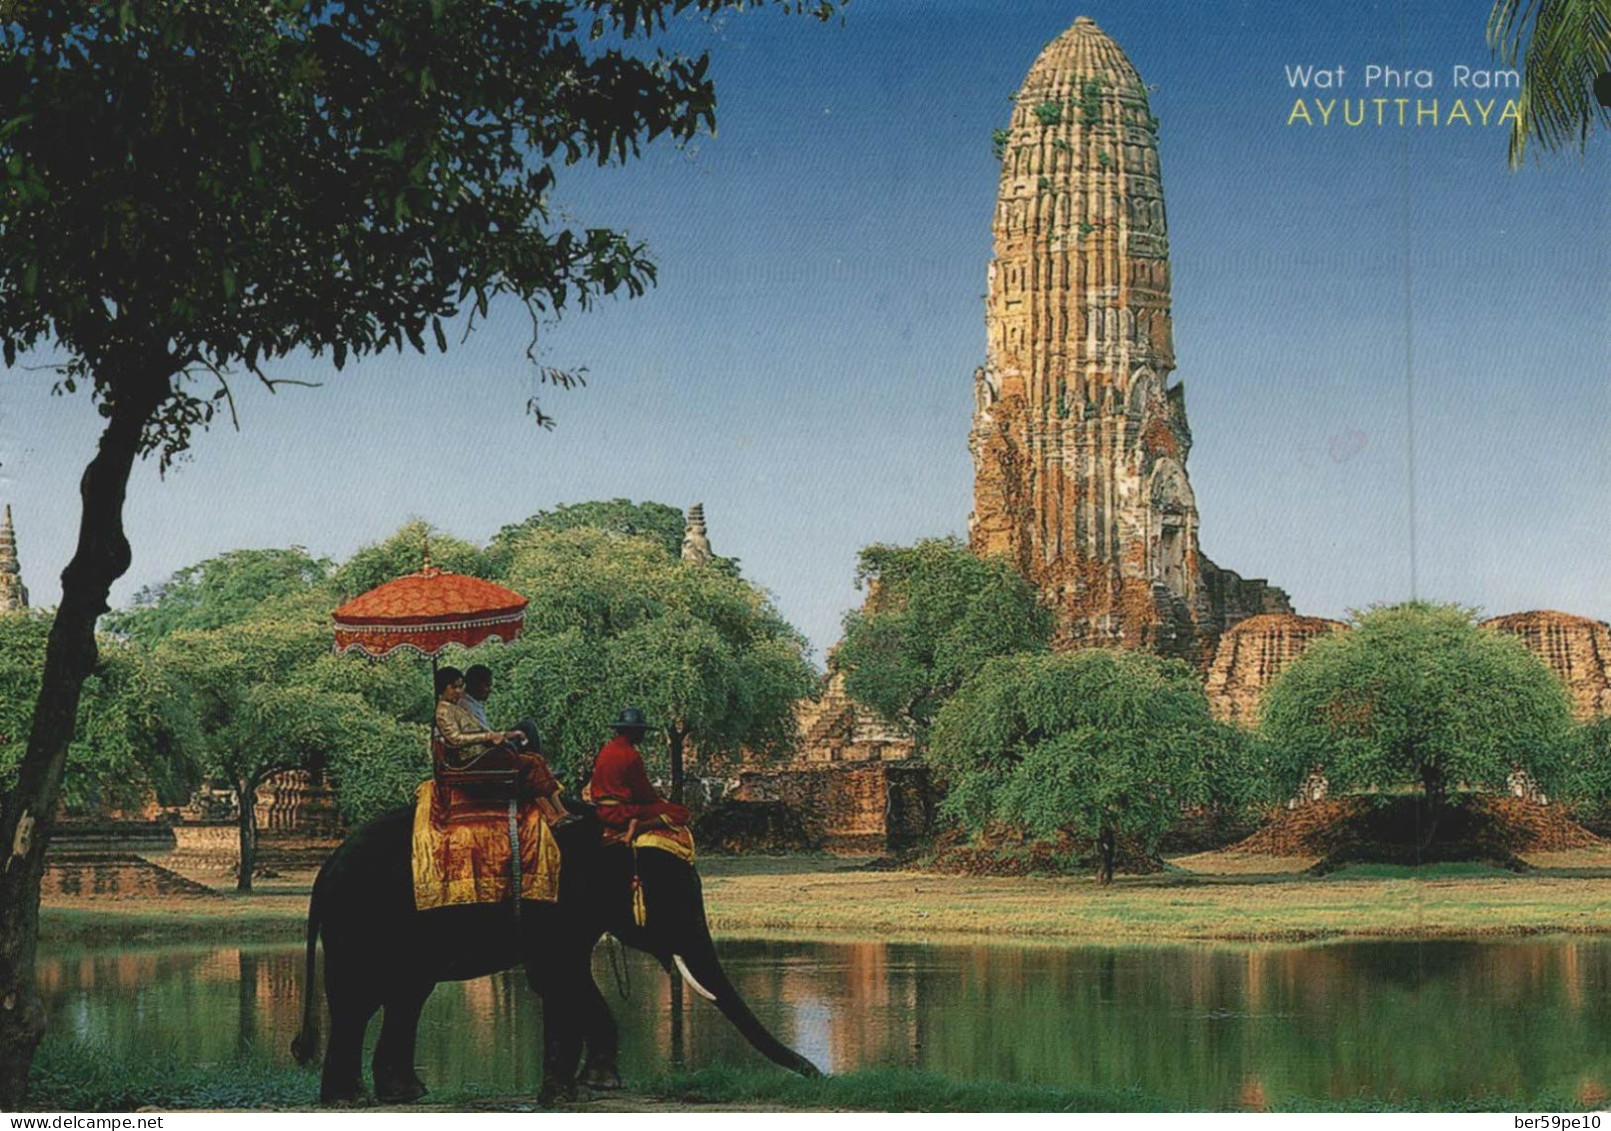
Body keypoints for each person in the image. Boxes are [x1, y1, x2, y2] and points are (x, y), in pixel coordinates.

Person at [434, 666, 574, 826]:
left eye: (460, 686)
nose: (459, 691)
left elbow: (480, 730)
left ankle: (560, 811)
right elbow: (455, 739)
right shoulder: (444, 711)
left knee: (535, 758)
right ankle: (551, 814)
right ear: (442, 688)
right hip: (472, 759)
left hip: (480, 753)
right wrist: (490, 737)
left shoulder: (454, 707)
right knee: (530, 762)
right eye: (454, 687)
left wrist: (501, 735)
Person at [587, 706, 690, 832]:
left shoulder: (606, 749)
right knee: (679, 812)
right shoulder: (631, 755)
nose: (643, 735)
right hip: (619, 812)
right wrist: (659, 802)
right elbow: (642, 792)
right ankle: (640, 827)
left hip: (601, 809)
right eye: (641, 731)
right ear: (633, 732)